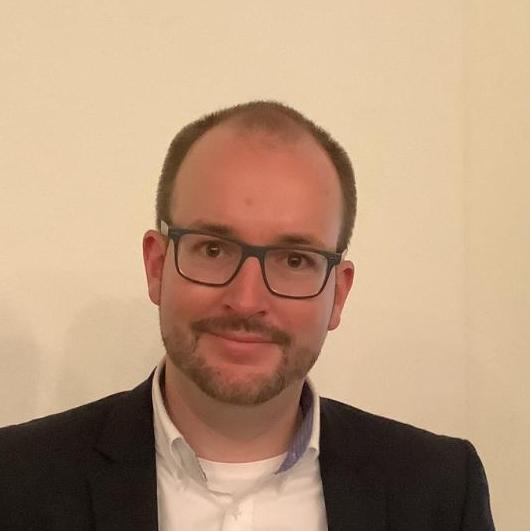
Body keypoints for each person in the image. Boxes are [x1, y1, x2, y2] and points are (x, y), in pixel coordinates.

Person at [0, 101, 494, 530]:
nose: (246, 299)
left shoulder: (440, 492)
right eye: (213, 249)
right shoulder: (16, 482)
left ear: (338, 294)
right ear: (156, 267)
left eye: (295, 260)